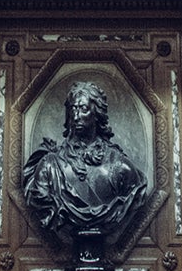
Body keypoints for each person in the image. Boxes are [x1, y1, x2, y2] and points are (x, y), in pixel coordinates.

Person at [20, 80, 150, 261]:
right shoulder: (49, 166)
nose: (76, 115)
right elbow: (40, 197)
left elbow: (134, 196)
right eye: (73, 109)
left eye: (83, 109)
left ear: (97, 114)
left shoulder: (121, 167)